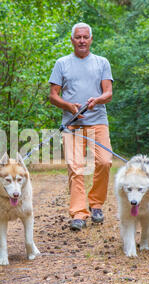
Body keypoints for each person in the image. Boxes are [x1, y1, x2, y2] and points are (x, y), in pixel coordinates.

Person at [48, 22, 114, 231]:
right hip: (72, 123)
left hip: (98, 121)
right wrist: (68, 106)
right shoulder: (62, 63)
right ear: (72, 40)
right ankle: (78, 213)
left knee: (104, 162)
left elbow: (108, 93)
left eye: (86, 37)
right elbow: (53, 96)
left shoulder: (102, 62)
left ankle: (96, 205)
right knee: (76, 168)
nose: (82, 41)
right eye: (78, 37)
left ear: (91, 39)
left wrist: (97, 100)